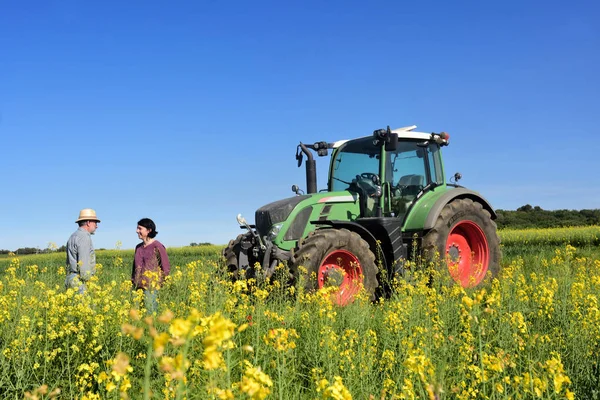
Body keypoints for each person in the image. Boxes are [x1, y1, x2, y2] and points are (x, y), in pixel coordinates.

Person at [132, 218, 171, 313]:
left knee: (150, 314)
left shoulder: (157, 246)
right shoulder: (138, 247)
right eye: (137, 228)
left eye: (140, 228)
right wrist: (133, 282)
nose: (137, 231)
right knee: (138, 315)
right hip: (137, 287)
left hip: (151, 288)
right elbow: (135, 267)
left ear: (149, 230)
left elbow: (165, 267)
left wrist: (158, 284)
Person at [66, 208, 100, 294]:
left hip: (70, 279)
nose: (97, 226)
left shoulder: (73, 236)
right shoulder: (84, 237)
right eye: (95, 222)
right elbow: (84, 265)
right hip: (80, 282)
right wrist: (90, 283)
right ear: (88, 222)